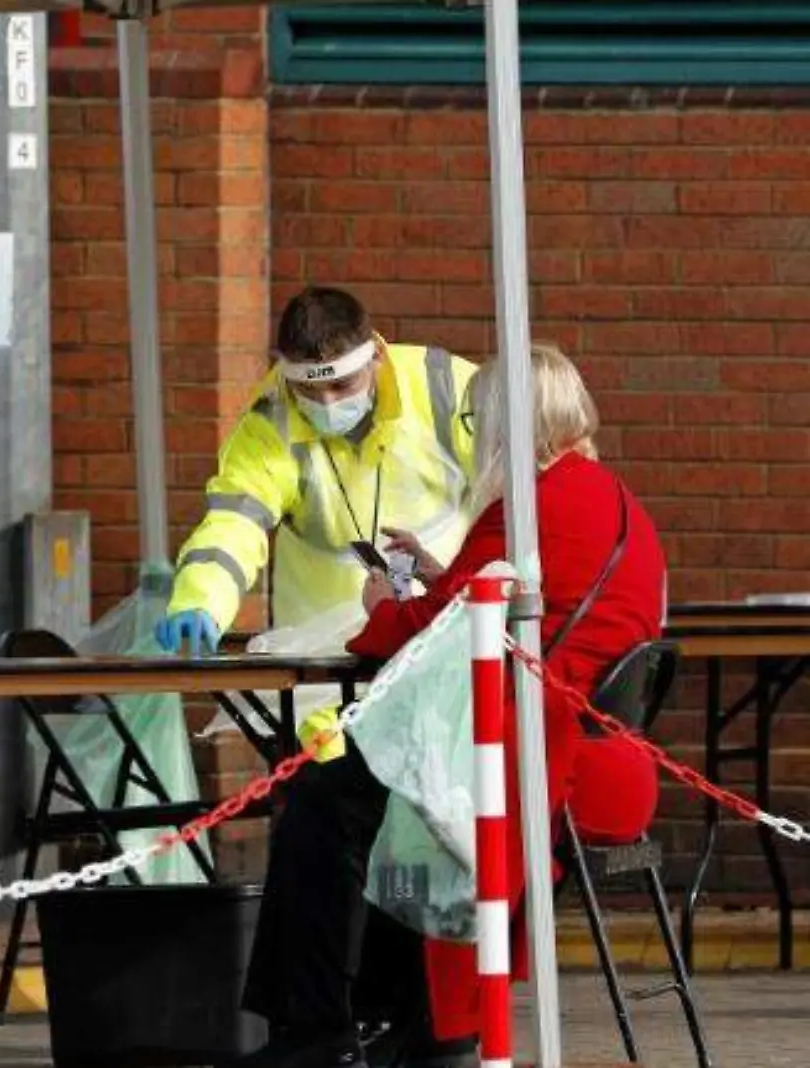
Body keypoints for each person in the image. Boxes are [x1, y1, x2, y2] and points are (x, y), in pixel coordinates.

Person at [240, 342, 666, 1068]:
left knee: (324, 801)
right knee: (369, 803)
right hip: (598, 760)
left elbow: (416, 634)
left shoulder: (528, 511)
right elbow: (483, 606)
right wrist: (438, 579)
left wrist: (382, 602)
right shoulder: (609, 498)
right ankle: (410, 1018)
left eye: (478, 420)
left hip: (535, 764)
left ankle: (316, 1030)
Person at [157, 287, 479, 655]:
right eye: (307, 389)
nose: (326, 402)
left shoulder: (443, 387)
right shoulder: (268, 425)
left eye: (342, 385)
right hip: (321, 652)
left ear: (375, 358)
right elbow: (235, 523)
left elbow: (515, 487)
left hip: (444, 633)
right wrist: (201, 598)